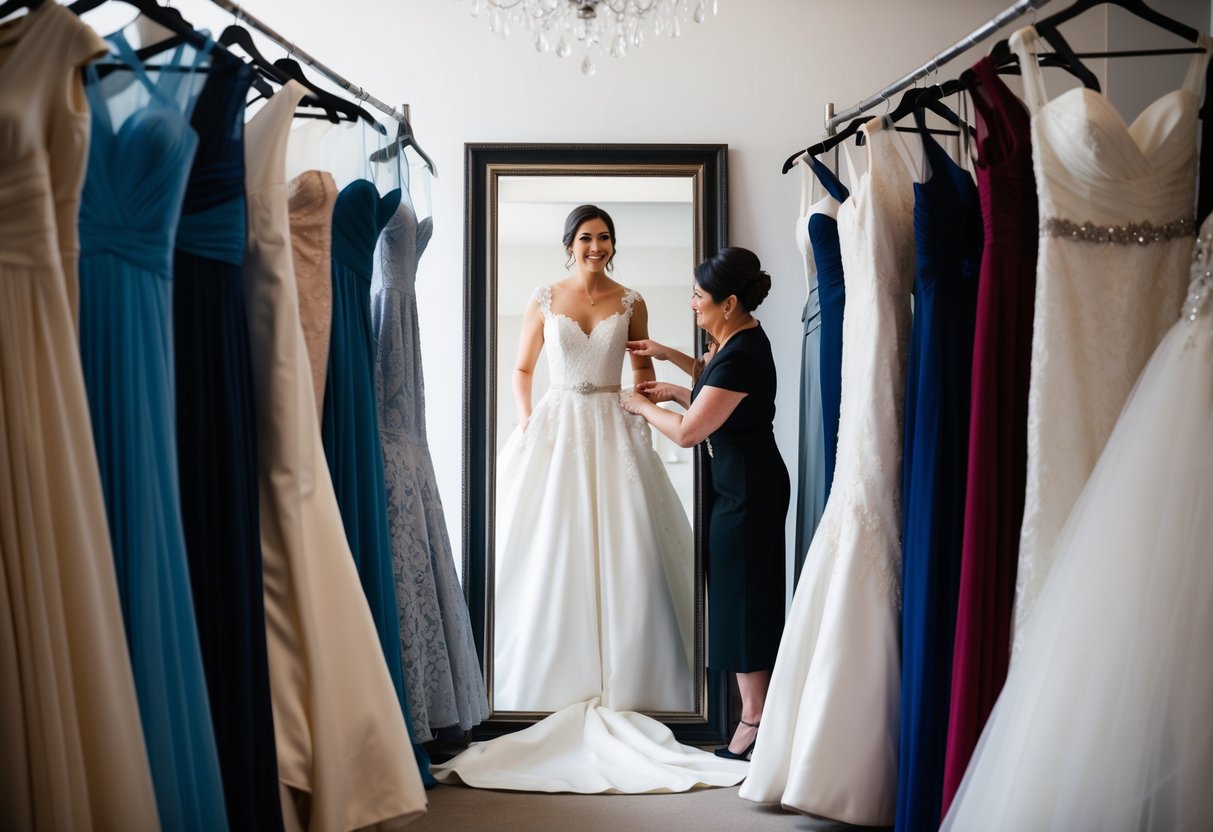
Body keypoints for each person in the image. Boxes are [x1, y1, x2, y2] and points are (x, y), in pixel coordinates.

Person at [433, 206, 747, 793]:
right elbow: (522, 369)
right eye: (586, 237)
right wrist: (527, 421)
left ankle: (643, 685)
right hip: (556, 424)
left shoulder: (631, 301)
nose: (596, 246)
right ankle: (535, 686)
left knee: (628, 547)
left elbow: (640, 373)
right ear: (570, 243)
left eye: (604, 238)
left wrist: (644, 417)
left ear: (612, 244)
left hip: (612, 423)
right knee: (550, 546)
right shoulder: (543, 298)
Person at [620, 246, 790, 761]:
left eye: (698, 296)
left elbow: (689, 433)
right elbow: (710, 380)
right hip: (739, 486)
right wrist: (671, 368)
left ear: (728, 302)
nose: (693, 304)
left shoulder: (742, 354)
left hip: (749, 493)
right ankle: (756, 713)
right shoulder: (740, 339)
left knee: (744, 602)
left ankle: (754, 719)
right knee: (737, 595)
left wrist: (640, 405)